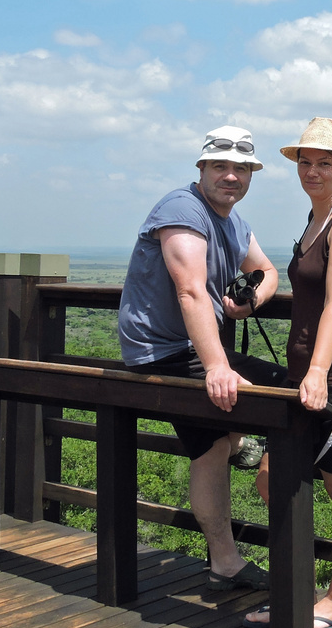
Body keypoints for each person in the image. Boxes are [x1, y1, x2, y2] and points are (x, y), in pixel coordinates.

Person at [117, 125, 283, 592]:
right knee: (227, 431)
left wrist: (251, 301)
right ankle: (226, 560)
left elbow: (267, 271)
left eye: (241, 168)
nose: (231, 176)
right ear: (202, 168)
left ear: (250, 175)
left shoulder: (234, 223)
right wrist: (217, 367)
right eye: (220, 167)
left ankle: (243, 445)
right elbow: (189, 289)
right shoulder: (181, 209)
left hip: (197, 347)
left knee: (286, 385)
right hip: (163, 351)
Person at [245, 117, 332, 628]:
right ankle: (298, 593)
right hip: (309, 377)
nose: (312, 170)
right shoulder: (315, 218)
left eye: (324, 162)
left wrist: (319, 372)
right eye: (305, 161)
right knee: (271, 478)